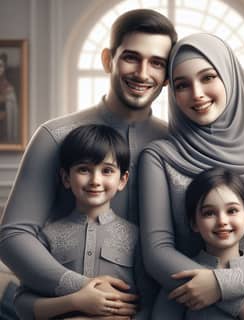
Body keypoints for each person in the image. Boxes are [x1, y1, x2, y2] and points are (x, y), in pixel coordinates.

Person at [0, 8, 177, 317]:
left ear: (166, 78)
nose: (143, 73)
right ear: (108, 59)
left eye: (157, 63)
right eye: (131, 57)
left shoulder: (177, 145)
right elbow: (14, 236)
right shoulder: (54, 136)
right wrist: (82, 289)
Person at [139, 33, 244, 319]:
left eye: (208, 77)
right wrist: (238, 303)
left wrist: (220, 285)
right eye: (182, 85)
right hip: (183, 310)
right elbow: (157, 254)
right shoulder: (159, 157)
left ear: (230, 77)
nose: (197, 93)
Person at [15, 124, 153, 320]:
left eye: (106, 170)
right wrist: (74, 302)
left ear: (122, 180)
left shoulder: (136, 237)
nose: (95, 180)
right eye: (84, 169)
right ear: (66, 178)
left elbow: (150, 303)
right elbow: (22, 304)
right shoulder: (47, 236)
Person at [152, 167, 244, 319]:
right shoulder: (180, 280)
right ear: (194, 223)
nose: (222, 221)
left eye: (232, 211)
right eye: (209, 213)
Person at [0, 52, 18, 142]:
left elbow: (12, 108)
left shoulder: (9, 88)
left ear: (4, 68)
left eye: (0, 66)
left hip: (3, 124)